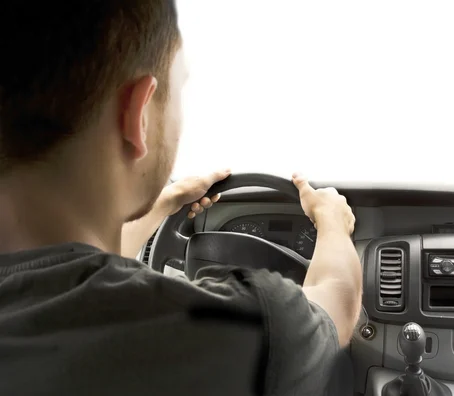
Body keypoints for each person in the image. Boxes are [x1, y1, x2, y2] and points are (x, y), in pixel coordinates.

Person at [0, 1, 362, 395]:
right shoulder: (235, 333)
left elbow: (74, 266)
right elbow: (339, 304)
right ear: (138, 114)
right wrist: (332, 223)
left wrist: (165, 202)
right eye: (179, 90)